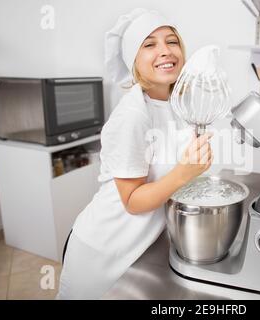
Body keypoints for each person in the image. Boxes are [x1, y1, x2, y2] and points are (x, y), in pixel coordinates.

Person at [56, 8, 213, 299]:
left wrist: (194, 164)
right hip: (102, 251)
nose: (165, 51)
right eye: (149, 45)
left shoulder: (178, 104)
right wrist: (183, 172)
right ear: (134, 60)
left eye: (172, 41)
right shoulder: (132, 115)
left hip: (137, 247)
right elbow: (132, 200)